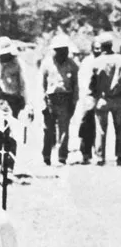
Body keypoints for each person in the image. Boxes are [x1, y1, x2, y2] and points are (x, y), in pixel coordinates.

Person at [0, 40, 32, 175]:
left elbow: (24, 85)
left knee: (12, 134)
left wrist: (28, 104)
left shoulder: (18, 64)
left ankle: (9, 165)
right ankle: (1, 163)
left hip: (15, 101)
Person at [40, 35, 79, 166]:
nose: (62, 52)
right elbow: (41, 85)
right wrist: (42, 103)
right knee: (48, 130)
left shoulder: (72, 64)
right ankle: (46, 156)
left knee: (64, 130)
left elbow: (76, 85)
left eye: (64, 49)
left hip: (65, 99)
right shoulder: (47, 63)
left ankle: (62, 156)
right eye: (59, 50)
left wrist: (74, 102)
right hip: (50, 99)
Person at [90, 32, 121, 166]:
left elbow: (92, 83)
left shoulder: (96, 62)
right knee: (119, 129)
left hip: (102, 99)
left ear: (101, 47)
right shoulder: (119, 59)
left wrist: (95, 95)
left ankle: (100, 157)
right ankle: (119, 156)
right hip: (118, 99)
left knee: (101, 130)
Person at [77, 40, 102, 164]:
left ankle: (99, 154)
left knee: (99, 128)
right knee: (86, 125)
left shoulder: (104, 60)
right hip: (88, 97)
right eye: (96, 48)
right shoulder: (87, 62)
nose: (98, 50)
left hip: (101, 97)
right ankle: (85, 154)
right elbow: (82, 80)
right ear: (92, 48)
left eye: (100, 48)